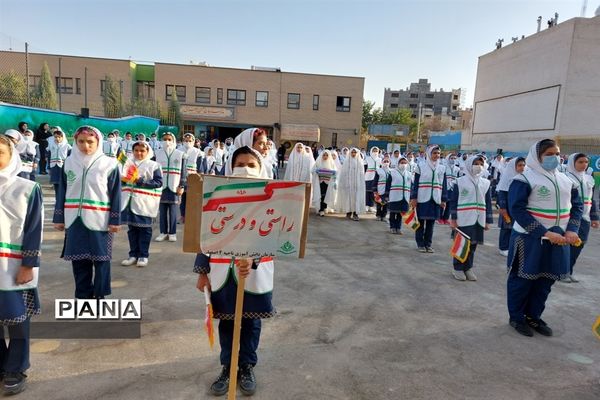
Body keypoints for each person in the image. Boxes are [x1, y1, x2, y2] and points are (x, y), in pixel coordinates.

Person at [195, 146, 275, 396]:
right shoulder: (216, 196)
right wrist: (202, 271)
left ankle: (247, 365)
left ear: (260, 167)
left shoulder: (270, 198)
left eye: (251, 165)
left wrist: (252, 261)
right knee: (228, 324)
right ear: (231, 165)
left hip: (254, 272)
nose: (245, 169)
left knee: (251, 323)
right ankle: (228, 367)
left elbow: (275, 233)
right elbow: (204, 234)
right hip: (221, 271)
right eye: (240, 164)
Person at [506, 139, 583, 337]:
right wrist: (544, 232)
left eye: (557, 153)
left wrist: (573, 229)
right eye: (549, 154)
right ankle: (516, 317)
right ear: (537, 156)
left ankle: (533, 316)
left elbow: (577, 207)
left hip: (560, 239)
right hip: (530, 239)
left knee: (545, 281)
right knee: (523, 280)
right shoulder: (524, 179)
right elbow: (517, 210)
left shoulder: (567, 180)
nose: (554, 158)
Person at [53, 126, 121, 299]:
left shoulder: (110, 164)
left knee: (101, 259)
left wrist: (115, 220)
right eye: (81, 141)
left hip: (100, 219)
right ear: (75, 141)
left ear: (98, 142)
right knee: (79, 260)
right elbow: (62, 190)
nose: (85, 146)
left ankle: (99, 296)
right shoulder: (68, 162)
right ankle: (83, 296)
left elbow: (116, 194)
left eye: (90, 142)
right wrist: (59, 217)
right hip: (73, 218)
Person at [0, 134, 43, 395]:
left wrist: (28, 264)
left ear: (11, 155)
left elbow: (34, 228)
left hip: (13, 266)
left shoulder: (26, 188)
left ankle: (16, 367)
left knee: (16, 318)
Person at [449, 155, 493, 281]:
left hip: (479, 218)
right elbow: (454, 201)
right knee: (461, 244)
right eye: (475, 163)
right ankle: (457, 268)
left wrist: (488, 220)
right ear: (469, 164)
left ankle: (468, 268)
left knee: (473, 245)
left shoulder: (485, 183)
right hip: (463, 218)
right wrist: (453, 218)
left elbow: (488, 202)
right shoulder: (459, 181)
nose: (478, 166)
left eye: (481, 163)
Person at [120, 141, 163, 268]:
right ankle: (133, 255)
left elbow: (158, 182)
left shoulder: (154, 165)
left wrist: (140, 181)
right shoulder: (127, 163)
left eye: (142, 151)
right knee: (132, 229)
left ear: (147, 151)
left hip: (145, 202)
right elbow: (121, 179)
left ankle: (143, 255)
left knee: (145, 229)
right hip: (129, 201)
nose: (139, 153)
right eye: (136, 150)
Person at [564, 153, 599, 282]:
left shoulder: (589, 178)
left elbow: (591, 199)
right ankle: (563, 272)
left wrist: (594, 217)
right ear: (573, 163)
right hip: (570, 217)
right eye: (580, 162)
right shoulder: (566, 178)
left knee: (579, 244)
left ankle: (569, 270)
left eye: (586, 162)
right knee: (567, 245)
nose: (584, 165)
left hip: (585, 218)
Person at [410, 145, 448, 253]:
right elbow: (415, 184)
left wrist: (443, 199)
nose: (437, 155)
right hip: (422, 198)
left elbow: (444, 185)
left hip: (435, 198)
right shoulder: (420, 166)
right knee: (420, 223)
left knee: (431, 224)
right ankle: (420, 244)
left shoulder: (442, 168)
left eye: (438, 153)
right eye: (434, 153)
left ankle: (428, 244)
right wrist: (414, 197)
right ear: (429, 154)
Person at [154, 132, 185, 242]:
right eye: (165, 139)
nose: (167, 141)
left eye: (169, 139)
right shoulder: (157, 153)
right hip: (161, 186)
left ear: (173, 141)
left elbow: (183, 172)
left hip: (174, 186)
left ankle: (172, 233)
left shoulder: (180, 154)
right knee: (162, 211)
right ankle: (163, 232)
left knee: (173, 211)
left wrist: (182, 185)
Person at [496, 157, 525, 257]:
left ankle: (513, 247)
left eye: (523, 165)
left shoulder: (524, 178)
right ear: (514, 166)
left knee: (516, 228)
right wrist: (503, 208)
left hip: (518, 208)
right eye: (519, 165)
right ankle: (503, 247)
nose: (522, 167)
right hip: (507, 207)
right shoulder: (508, 177)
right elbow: (502, 193)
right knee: (506, 227)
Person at [337, 147, 366, 221]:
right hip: (349, 184)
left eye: (355, 152)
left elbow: (362, 174)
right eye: (352, 152)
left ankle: (356, 214)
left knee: (356, 198)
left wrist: (360, 183)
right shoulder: (347, 161)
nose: (353, 154)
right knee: (348, 198)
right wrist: (345, 182)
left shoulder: (359, 162)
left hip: (357, 184)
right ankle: (348, 213)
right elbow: (343, 173)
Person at [179, 133, 202, 222]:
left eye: (190, 141)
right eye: (186, 140)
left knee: (192, 198)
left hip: (193, 177)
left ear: (193, 141)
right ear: (183, 141)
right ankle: (183, 216)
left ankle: (191, 216)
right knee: (183, 197)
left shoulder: (198, 152)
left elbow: (200, 166)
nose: (187, 142)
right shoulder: (179, 150)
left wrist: (199, 177)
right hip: (182, 177)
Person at [386, 156, 412, 234]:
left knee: (401, 213)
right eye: (401, 163)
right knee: (393, 213)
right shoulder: (392, 172)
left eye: (405, 163)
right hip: (394, 196)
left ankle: (398, 228)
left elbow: (412, 185)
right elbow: (388, 184)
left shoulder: (409, 174)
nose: (403, 164)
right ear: (398, 163)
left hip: (405, 196)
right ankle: (392, 227)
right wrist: (387, 195)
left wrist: (411, 197)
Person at [47, 127, 72, 196]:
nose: (57, 139)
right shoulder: (51, 146)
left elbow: (71, 158)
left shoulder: (67, 147)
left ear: (62, 137)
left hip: (63, 167)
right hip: (54, 167)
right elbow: (49, 156)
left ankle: (64, 198)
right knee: (56, 183)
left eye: (59, 137)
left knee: (64, 183)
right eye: (55, 137)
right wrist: (49, 167)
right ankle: (57, 199)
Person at [312, 149, 337, 217]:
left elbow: (335, 171)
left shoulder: (331, 163)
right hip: (320, 182)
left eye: (327, 155)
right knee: (321, 195)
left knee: (326, 195)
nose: (325, 156)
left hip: (328, 183)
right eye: (324, 155)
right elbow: (313, 170)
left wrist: (333, 172)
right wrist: (316, 171)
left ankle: (324, 207)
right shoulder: (318, 162)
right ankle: (321, 209)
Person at [373, 156, 391, 222]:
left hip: (388, 190)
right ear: (382, 162)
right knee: (379, 203)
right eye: (385, 161)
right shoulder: (378, 171)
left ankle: (383, 216)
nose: (386, 163)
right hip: (380, 189)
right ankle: (378, 215)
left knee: (386, 204)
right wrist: (375, 190)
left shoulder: (391, 171)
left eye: (387, 162)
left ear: (390, 163)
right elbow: (375, 181)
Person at [364, 147, 381, 213]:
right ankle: (366, 205)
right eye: (374, 151)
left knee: (374, 192)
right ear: (371, 151)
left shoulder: (380, 159)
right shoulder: (367, 159)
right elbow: (364, 168)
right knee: (367, 191)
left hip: (376, 177)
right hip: (368, 177)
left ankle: (371, 206)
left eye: (376, 151)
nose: (375, 152)